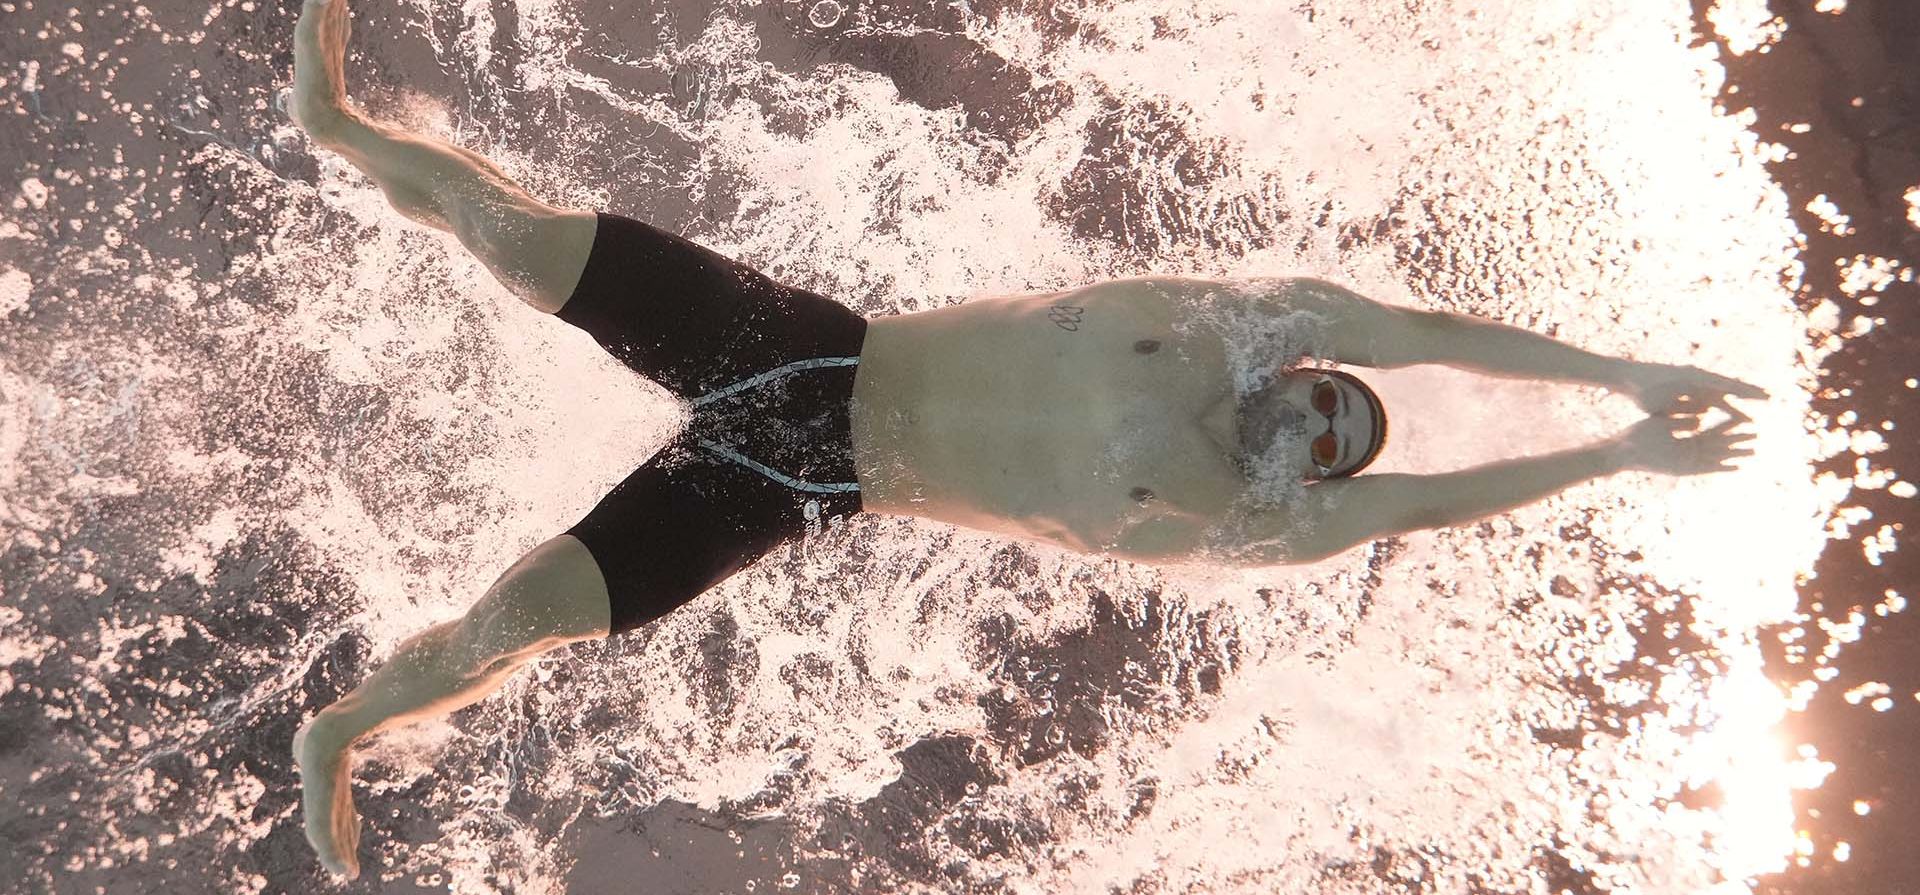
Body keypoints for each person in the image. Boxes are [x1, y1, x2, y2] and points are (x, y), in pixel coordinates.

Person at [285, 0, 1769, 879]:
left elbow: (1439, 502)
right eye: (1332, 394)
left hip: (802, 483)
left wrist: (1608, 461)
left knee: (523, 622)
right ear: (1313, 370)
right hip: (804, 343)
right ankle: (341, 126)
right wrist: (1623, 373)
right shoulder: (1233, 321)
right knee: (518, 234)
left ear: (1309, 475)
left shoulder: (1245, 522)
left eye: (1332, 441)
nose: (1317, 414)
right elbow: (1419, 339)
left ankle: (339, 728)